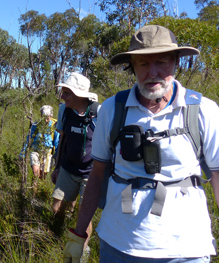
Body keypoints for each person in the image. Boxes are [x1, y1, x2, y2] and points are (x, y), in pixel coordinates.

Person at [63, 25, 219, 263]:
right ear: (132, 67)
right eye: (143, 64)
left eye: (162, 62)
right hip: (118, 243)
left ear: (176, 62)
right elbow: (97, 175)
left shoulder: (203, 111)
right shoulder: (112, 109)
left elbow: (217, 176)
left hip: (185, 249)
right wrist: (79, 233)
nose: (152, 72)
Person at [51, 72, 99, 249]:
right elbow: (62, 139)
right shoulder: (64, 110)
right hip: (68, 169)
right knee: (56, 207)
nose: (62, 96)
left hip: (91, 173)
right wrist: (57, 167)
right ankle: (55, 234)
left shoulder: (97, 112)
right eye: (63, 92)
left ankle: (81, 251)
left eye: (67, 93)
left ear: (80, 94)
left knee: (84, 215)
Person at [19, 105, 60, 179]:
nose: (45, 120)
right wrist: (23, 153)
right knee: (36, 174)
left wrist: (57, 156)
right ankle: (34, 188)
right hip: (35, 150)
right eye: (43, 118)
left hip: (47, 152)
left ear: (51, 116)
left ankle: (38, 189)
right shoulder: (36, 125)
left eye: (47, 118)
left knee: (43, 176)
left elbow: (57, 142)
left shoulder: (55, 125)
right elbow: (29, 138)